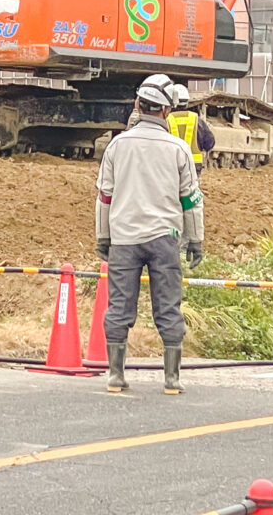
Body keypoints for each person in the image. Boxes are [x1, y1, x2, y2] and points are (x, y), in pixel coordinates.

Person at [96, 79, 203, 395]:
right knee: (168, 306)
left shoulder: (117, 146)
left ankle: (116, 376)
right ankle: (171, 380)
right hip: (164, 239)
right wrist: (195, 239)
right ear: (167, 110)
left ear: (137, 106)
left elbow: (105, 197)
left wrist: (103, 237)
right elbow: (191, 199)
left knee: (119, 306)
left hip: (125, 239)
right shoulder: (178, 149)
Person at [166, 84, 216, 173]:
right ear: (187, 102)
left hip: (171, 165)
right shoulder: (196, 120)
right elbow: (209, 143)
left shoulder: (166, 120)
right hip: (193, 165)